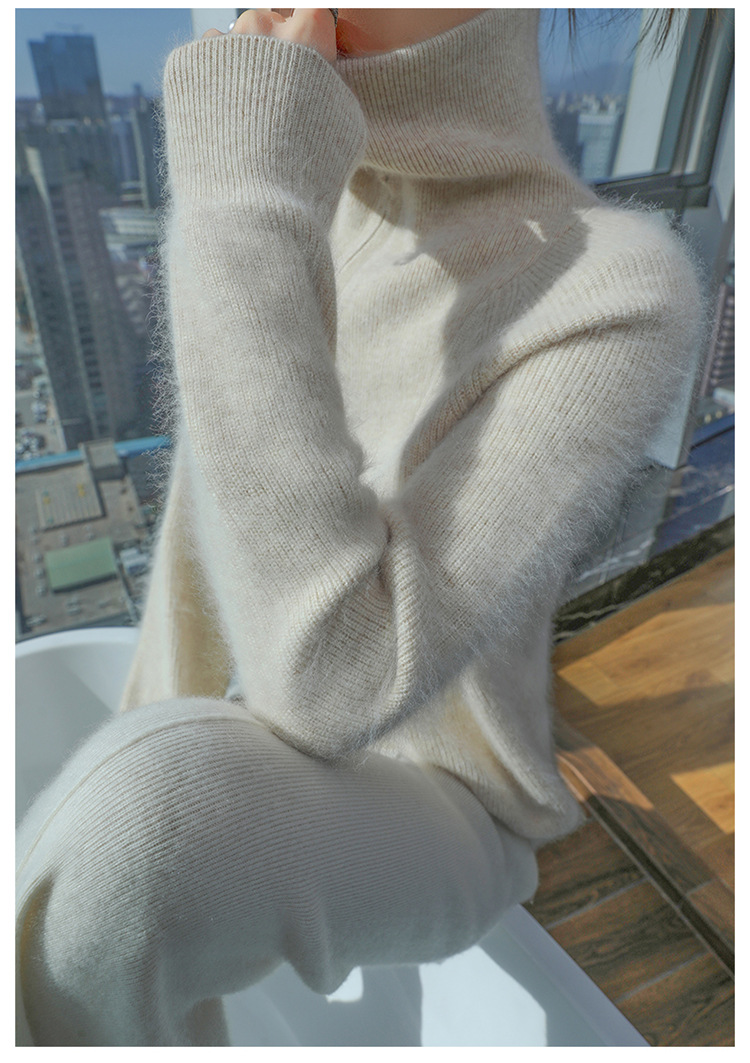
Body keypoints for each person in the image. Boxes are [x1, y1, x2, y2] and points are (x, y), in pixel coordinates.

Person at [16, 8, 703, 1046]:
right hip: (253, 715)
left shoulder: (614, 287)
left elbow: (331, 686)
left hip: (455, 800)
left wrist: (241, 202)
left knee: (144, 826)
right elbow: (206, 537)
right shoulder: (302, 186)